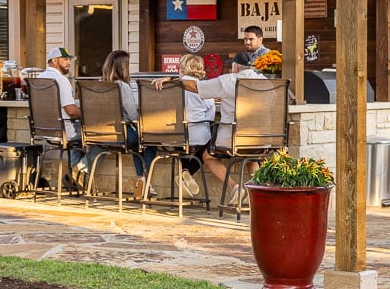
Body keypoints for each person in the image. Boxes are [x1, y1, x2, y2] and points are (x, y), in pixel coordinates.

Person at [158, 52, 268, 205]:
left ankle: (234, 187)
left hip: (233, 139)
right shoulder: (265, 82)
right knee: (251, 154)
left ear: (235, 67)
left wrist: (171, 79)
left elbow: (194, 86)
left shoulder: (229, 80)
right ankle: (259, 199)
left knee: (207, 155)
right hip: (262, 139)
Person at [91, 50, 155, 197]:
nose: (131, 65)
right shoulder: (122, 86)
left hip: (100, 134)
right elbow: (132, 115)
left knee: (137, 143)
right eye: (129, 63)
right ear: (123, 67)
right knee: (148, 140)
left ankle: (142, 181)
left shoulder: (99, 85)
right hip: (121, 134)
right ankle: (144, 180)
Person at [37, 46, 83, 183]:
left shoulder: (39, 78)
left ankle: (72, 177)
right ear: (55, 61)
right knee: (95, 136)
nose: (69, 63)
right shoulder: (61, 80)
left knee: (79, 142)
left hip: (44, 131)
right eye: (65, 59)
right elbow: (71, 110)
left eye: (69, 60)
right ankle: (77, 172)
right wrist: (88, 114)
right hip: (63, 131)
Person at [176, 54, 217, 197]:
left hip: (173, 135)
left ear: (182, 67)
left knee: (181, 146)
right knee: (209, 147)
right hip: (197, 134)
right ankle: (186, 171)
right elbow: (211, 112)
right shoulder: (203, 88)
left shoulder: (171, 86)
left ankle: (184, 172)